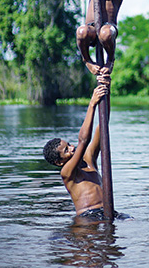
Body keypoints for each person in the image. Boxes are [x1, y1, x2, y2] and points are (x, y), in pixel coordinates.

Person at [44, 82, 110, 219]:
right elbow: (83, 141)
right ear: (59, 162)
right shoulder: (67, 173)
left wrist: (105, 91)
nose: (72, 148)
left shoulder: (89, 160)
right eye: (67, 150)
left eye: (69, 144)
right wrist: (92, 104)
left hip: (107, 213)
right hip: (88, 217)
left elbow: (103, 126)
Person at [73, 0, 127, 75]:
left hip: (108, 27)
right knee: (81, 31)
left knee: (106, 33)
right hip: (91, 27)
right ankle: (87, 60)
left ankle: (110, 60)